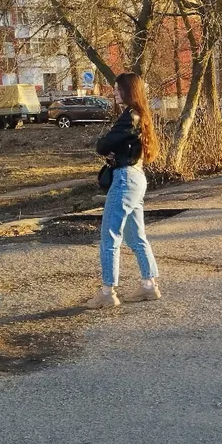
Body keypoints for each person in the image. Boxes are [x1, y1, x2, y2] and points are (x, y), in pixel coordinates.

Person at [86, 72, 161, 309]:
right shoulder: (142, 115)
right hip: (137, 177)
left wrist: (109, 150)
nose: (115, 93)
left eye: (118, 89)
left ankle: (108, 291)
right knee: (136, 237)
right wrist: (115, 152)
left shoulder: (129, 116)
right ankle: (149, 285)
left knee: (110, 236)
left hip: (124, 180)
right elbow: (122, 146)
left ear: (129, 91)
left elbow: (104, 144)